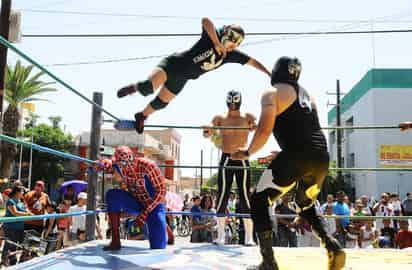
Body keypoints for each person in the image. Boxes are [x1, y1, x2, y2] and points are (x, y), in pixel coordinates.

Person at [232, 56, 345, 270]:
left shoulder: (272, 94)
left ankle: (268, 262)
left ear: (276, 72)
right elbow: (305, 127)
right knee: (305, 203)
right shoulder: (308, 95)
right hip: (321, 156)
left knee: (259, 200)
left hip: (297, 154)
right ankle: (332, 245)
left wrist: (247, 152)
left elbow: (264, 131)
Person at [117, 17, 271, 134]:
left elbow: (252, 61)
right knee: (148, 88)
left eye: (234, 46)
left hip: (182, 78)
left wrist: (269, 73)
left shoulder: (230, 55)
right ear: (225, 37)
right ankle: (134, 87)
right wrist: (216, 43)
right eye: (231, 44)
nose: (231, 49)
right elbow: (205, 21)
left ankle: (142, 116)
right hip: (173, 64)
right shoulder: (212, 37)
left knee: (161, 103)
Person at [203, 90, 257, 246]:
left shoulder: (248, 117)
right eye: (231, 101)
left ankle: (249, 237)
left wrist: (255, 126)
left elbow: (258, 128)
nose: (233, 104)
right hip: (226, 157)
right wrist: (207, 131)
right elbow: (209, 133)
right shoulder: (220, 118)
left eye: (235, 101)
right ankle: (220, 236)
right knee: (222, 195)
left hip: (242, 158)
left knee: (245, 195)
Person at [98, 146, 168, 250]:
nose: (128, 166)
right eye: (122, 164)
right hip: (136, 202)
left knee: (158, 246)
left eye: (129, 161)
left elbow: (162, 190)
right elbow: (108, 163)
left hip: (154, 206)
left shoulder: (148, 166)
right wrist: (102, 163)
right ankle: (115, 240)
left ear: (133, 157)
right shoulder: (118, 165)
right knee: (112, 195)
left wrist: (145, 213)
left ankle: (165, 230)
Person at [1, 186, 32, 266]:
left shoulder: (21, 202)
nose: (23, 193)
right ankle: (5, 261)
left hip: (20, 227)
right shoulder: (10, 201)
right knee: (9, 244)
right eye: (22, 192)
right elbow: (15, 213)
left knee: (16, 245)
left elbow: (27, 210)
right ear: (17, 192)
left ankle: (12, 261)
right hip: (10, 227)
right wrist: (27, 214)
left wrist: (28, 212)